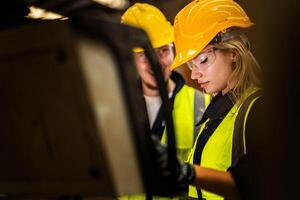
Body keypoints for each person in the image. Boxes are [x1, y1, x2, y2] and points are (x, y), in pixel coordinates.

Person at [151, 0, 263, 199]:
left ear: (234, 53)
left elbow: (250, 185)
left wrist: (185, 173)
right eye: (191, 66)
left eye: (203, 60)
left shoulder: (256, 110)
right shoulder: (215, 115)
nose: (194, 76)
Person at [121, 3, 210, 162]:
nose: (156, 63)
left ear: (173, 51)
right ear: (131, 59)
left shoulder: (203, 105)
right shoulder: (117, 105)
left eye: (163, 51)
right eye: (144, 54)